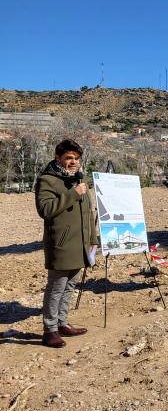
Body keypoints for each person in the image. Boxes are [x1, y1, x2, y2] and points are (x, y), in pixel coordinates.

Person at [35, 139, 98, 348]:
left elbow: (89, 212)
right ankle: (49, 330)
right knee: (56, 287)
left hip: (79, 244)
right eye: (69, 158)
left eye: (76, 158)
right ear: (58, 158)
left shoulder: (79, 180)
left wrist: (92, 239)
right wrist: (72, 194)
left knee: (70, 285)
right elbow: (45, 210)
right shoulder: (47, 180)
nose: (73, 162)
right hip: (61, 244)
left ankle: (62, 323)